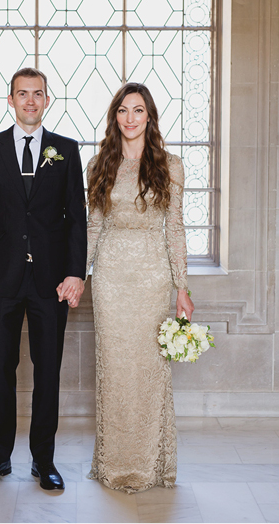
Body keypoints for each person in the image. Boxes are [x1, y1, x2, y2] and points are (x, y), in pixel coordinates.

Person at [0, 67, 87, 491]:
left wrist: (76, 272)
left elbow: (77, 219)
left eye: (38, 94)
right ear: (11, 100)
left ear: (48, 100)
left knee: (47, 372)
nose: (30, 101)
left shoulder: (66, 151)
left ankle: (44, 460)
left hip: (51, 282)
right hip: (0, 280)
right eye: (22, 94)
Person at [85, 81, 193, 493]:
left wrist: (182, 287)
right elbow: (93, 227)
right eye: (123, 111)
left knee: (149, 368)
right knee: (114, 368)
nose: (130, 119)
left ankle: (152, 464)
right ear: (115, 117)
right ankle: (114, 464)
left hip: (152, 278)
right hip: (111, 277)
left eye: (138, 111)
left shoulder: (170, 165)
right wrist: (80, 275)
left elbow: (176, 229)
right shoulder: (99, 166)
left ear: (149, 117)